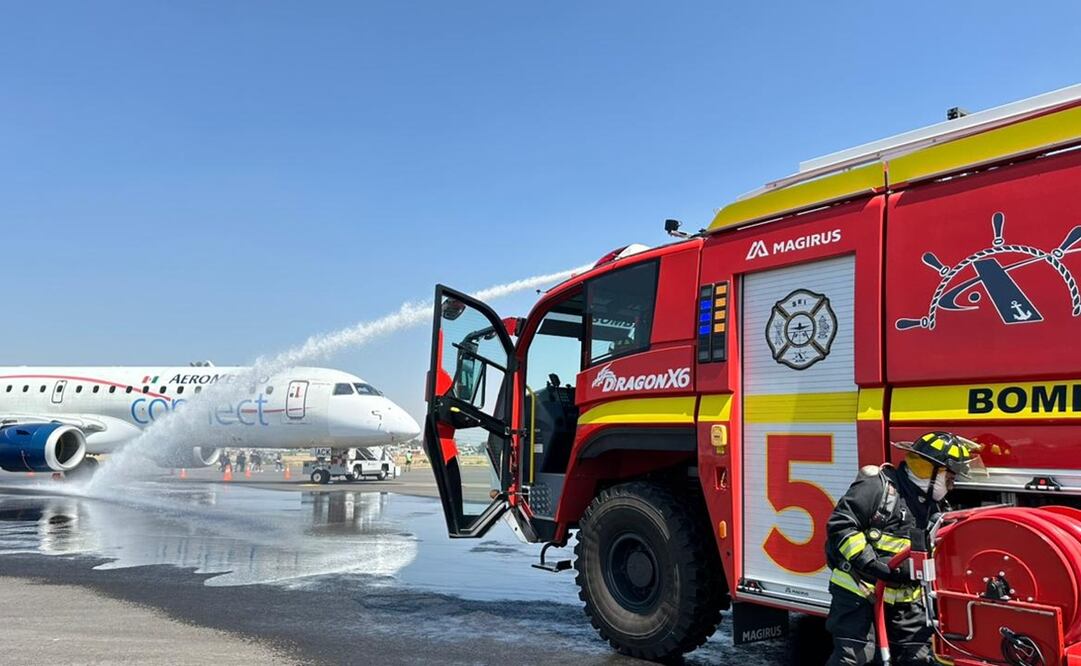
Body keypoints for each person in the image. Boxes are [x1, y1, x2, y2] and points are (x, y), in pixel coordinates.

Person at [824, 431, 982, 665]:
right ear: (932, 471)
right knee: (855, 659)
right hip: (860, 591)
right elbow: (841, 526)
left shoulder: (934, 506)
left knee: (917, 659)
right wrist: (872, 563)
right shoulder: (878, 488)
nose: (952, 483)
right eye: (950, 476)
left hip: (907, 600)